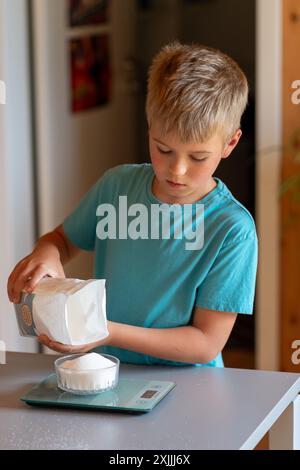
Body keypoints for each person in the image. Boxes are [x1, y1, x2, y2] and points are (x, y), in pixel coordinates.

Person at [7, 42, 258, 367]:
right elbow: (63, 240)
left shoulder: (233, 230)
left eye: (197, 157)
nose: (177, 170)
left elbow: (206, 344)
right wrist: (46, 252)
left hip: (192, 387)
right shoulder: (116, 187)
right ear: (149, 127)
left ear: (231, 143)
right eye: (163, 149)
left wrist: (107, 332)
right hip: (108, 372)